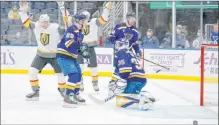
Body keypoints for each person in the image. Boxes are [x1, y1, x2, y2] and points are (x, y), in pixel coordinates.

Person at [57, 1, 113, 92]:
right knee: (80, 66)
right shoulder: (77, 25)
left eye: (86, 18)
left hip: (90, 47)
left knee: (94, 67)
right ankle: (80, 82)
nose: (84, 20)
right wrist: (62, 6)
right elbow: (67, 17)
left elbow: (103, 19)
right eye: (83, 18)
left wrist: (107, 9)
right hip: (79, 47)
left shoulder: (94, 22)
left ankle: (95, 83)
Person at [18, 1, 66, 100]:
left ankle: (63, 91)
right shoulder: (36, 26)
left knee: (60, 74)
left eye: (45, 22)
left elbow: (67, 28)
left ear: (48, 22)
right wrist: (22, 12)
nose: (43, 23)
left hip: (55, 55)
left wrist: (62, 9)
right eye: (41, 21)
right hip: (41, 55)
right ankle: (35, 92)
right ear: (39, 21)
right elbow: (26, 22)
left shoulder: (55, 27)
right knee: (32, 71)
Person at [108, 38, 155, 111]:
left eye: (119, 44)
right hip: (139, 79)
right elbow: (118, 71)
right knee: (122, 97)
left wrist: (119, 86)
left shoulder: (122, 53)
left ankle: (144, 100)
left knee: (123, 98)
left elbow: (125, 72)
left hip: (135, 80)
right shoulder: (128, 53)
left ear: (124, 45)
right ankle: (143, 95)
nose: (117, 46)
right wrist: (113, 81)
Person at [56, 13, 88, 107]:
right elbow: (68, 43)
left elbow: (77, 47)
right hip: (64, 55)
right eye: (83, 20)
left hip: (72, 56)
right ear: (79, 20)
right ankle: (67, 97)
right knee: (73, 74)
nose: (85, 21)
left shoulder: (80, 32)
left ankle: (75, 94)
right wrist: (80, 46)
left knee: (78, 74)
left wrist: (83, 51)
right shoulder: (71, 29)